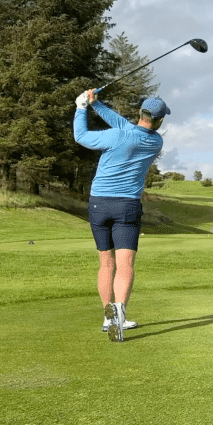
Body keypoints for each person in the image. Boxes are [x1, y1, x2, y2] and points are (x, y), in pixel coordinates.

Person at [74, 88, 170, 342]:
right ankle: (118, 316)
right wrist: (96, 104)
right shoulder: (155, 141)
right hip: (127, 206)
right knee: (125, 264)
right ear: (159, 121)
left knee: (106, 263)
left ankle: (108, 318)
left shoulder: (117, 136)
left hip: (98, 205)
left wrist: (81, 108)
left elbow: (80, 135)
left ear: (140, 113)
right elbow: (127, 127)